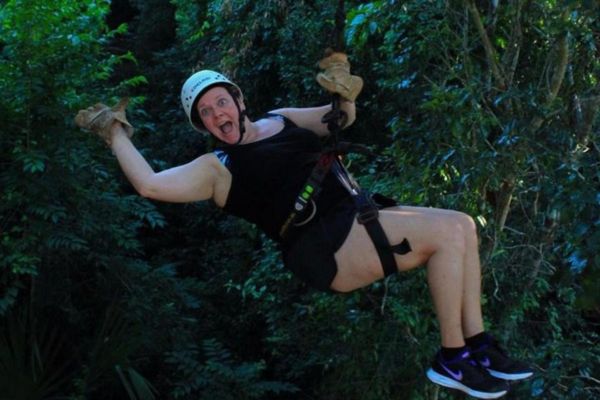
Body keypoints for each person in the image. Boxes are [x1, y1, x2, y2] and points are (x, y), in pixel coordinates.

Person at [75, 52, 533, 399]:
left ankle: (477, 345)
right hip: (322, 246)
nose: (218, 116)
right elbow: (151, 185)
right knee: (449, 233)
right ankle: (453, 357)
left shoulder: (282, 119)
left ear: (238, 100)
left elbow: (338, 117)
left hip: (356, 216)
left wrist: (343, 88)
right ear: (204, 127)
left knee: (463, 225)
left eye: (220, 103)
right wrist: (115, 133)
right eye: (207, 115)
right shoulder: (216, 168)